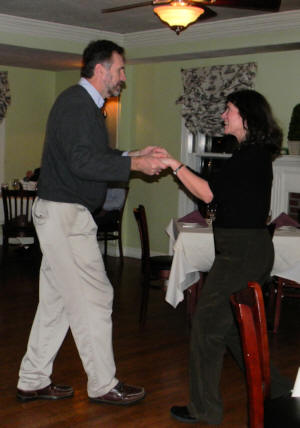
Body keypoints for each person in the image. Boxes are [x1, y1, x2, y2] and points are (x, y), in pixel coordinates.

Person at [16, 39, 168, 405]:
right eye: (120, 69)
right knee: (97, 296)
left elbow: (92, 156)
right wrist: (134, 166)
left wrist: (133, 154)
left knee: (57, 303)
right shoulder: (75, 105)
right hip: (66, 217)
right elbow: (81, 163)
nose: (123, 77)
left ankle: (33, 379)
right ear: (100, 70)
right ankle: (103, 384)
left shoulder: (84, 106)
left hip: (62, 215)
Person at [161, 89, 292, 424]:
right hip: (245, 249)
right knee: (236, 328)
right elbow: (218, 198)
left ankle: (204, 410)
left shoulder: (251, 156)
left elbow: (208, 193)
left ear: (246, 117)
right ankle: (278, 390)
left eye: (229, 110)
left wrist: (175, 165)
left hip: (242, 252)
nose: (223, 116)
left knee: (206, 326)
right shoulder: (253, 154)